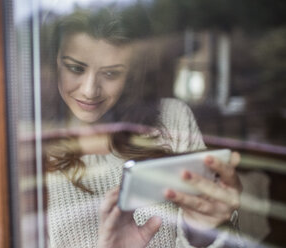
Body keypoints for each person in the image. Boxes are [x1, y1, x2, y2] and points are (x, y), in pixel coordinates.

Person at [41, 8, 243, 248]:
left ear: (133, 74)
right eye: (75, 68)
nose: (89, 90)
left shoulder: (172, 119)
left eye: (111, 74)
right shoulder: (30, 146)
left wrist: (202, 231)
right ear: (55, 62)